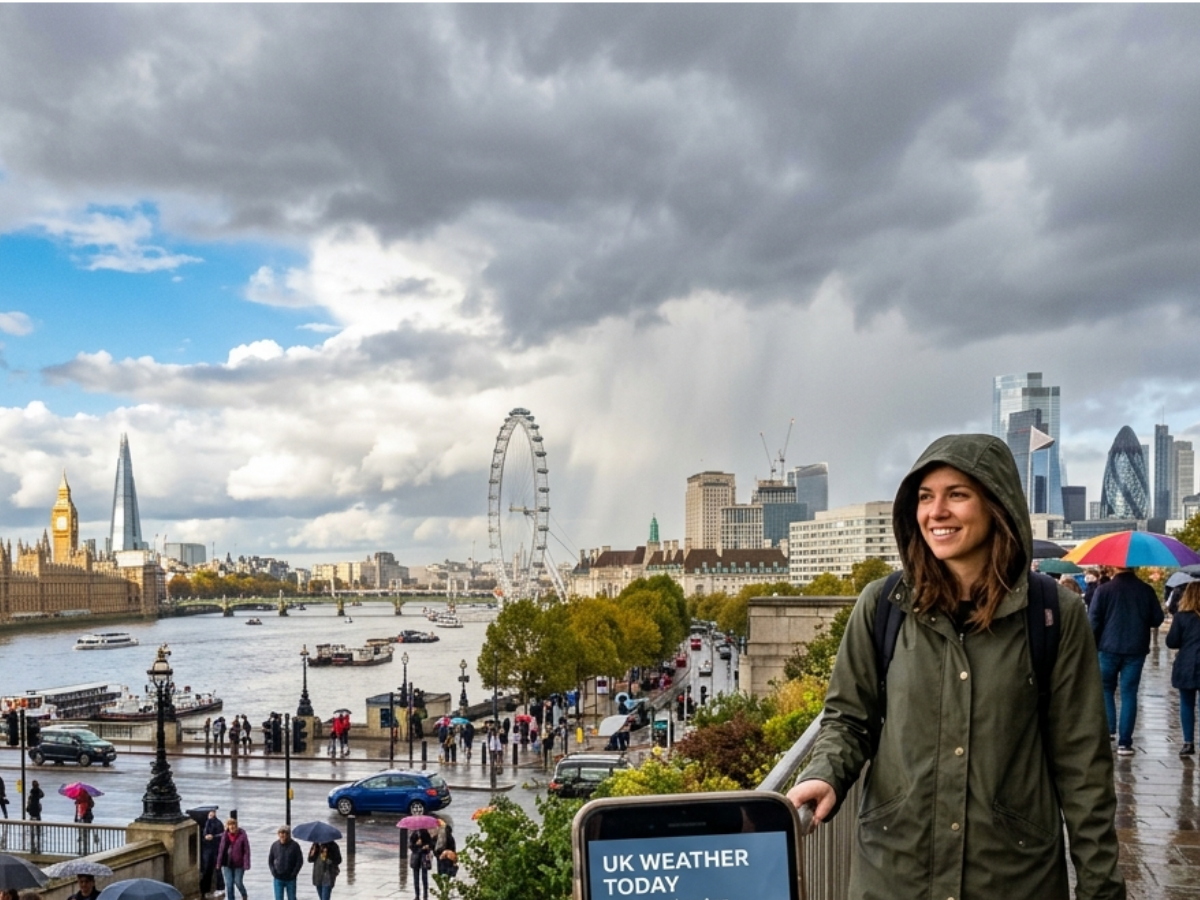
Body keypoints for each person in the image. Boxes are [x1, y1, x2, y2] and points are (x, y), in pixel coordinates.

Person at [786, 433, 1124, 900]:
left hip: (1011, 879)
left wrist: (1101, 888)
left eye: (957, 495)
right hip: (896, 874)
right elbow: (848, 719)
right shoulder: (883, 605)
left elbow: (1082, 766)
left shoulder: (1054, 615)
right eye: (925, 497)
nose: (936, 512)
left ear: (997, 506)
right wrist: (823, 773)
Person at [1090, 563, 1165, 755]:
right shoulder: (1146, 590)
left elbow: (1094, 621)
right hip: (1135, 649)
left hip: (1107, 647)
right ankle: (1125, 743)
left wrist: (1093, 644)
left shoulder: (1104, 590)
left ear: (1115, 566)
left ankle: (1109, 731)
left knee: (1106, 689)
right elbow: (1157, 619)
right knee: (1129, 693)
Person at [1167, 581, 1200, 757]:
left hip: (1187, 664)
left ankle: (1188, 742)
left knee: (1186, 703)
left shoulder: (1182, 617)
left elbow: (1172, 642)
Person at [217, 816, 251, 900]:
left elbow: (246, 850)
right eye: (230, 825)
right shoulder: (225, 835)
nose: (232, 827)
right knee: (229, 884)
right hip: (227, 863)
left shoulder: (242, 836)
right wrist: (218, 863)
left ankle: (244, 894)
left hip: (239, 863)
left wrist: (246, 863)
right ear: (227, 826)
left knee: (238, 881)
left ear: (236, 826)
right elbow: (221, 850)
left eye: (233, 825)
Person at [268, 823, 305, 900]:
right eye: (281, 833)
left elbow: (300, 861)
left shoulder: (295, 846)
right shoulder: (275, 845)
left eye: (285, 833)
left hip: (290, 878)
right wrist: (273, 872)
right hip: (278, 878)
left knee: (292, 898)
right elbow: (270, 860)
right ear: (278, 834)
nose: (283, 835)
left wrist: (294, 873)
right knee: (278, 898)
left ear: (289, 834)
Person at [200, 808, 225, 897]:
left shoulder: (218, 823)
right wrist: (205, 837)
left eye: (212, 813)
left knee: (217, 868)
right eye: (209, 814)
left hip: (215, 848)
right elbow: (203, 834)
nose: (210, 815)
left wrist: (213, 837)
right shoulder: (207, 822)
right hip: (208, 849)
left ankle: (220, 888)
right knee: (207, 869)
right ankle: (205, 889)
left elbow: (222, 835)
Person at [408, 827, 434, 900]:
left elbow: (431, 844)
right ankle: (417, 895)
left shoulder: (425, 833)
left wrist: (427, 846)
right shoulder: (414, 834)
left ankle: (425, 895)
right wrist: (416, 844)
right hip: (416, 857)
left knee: (424, 877)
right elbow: (411, 846)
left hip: (424, 857)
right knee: (416, 877)